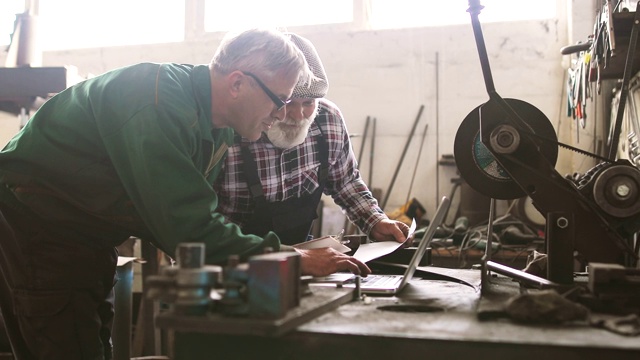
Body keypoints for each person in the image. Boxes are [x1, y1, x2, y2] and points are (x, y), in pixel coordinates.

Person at [0, 28, 370, 360]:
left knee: (92, 345)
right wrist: (295, 258)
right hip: (39, 230)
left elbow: (192, 219)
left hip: (86, 237)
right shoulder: (157, 102)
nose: (282, 113)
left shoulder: (219, 128)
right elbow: (190, 228)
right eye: (279, 100)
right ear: (238, 83)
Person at [214, 33, 410, 247]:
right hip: (231, 262)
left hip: (300, 261)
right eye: (286, 102)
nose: (298, 116)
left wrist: (376, 221)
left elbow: (345, 182)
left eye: (308, 103)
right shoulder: (228, 130)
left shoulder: (327, 120)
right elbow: (201, 223)